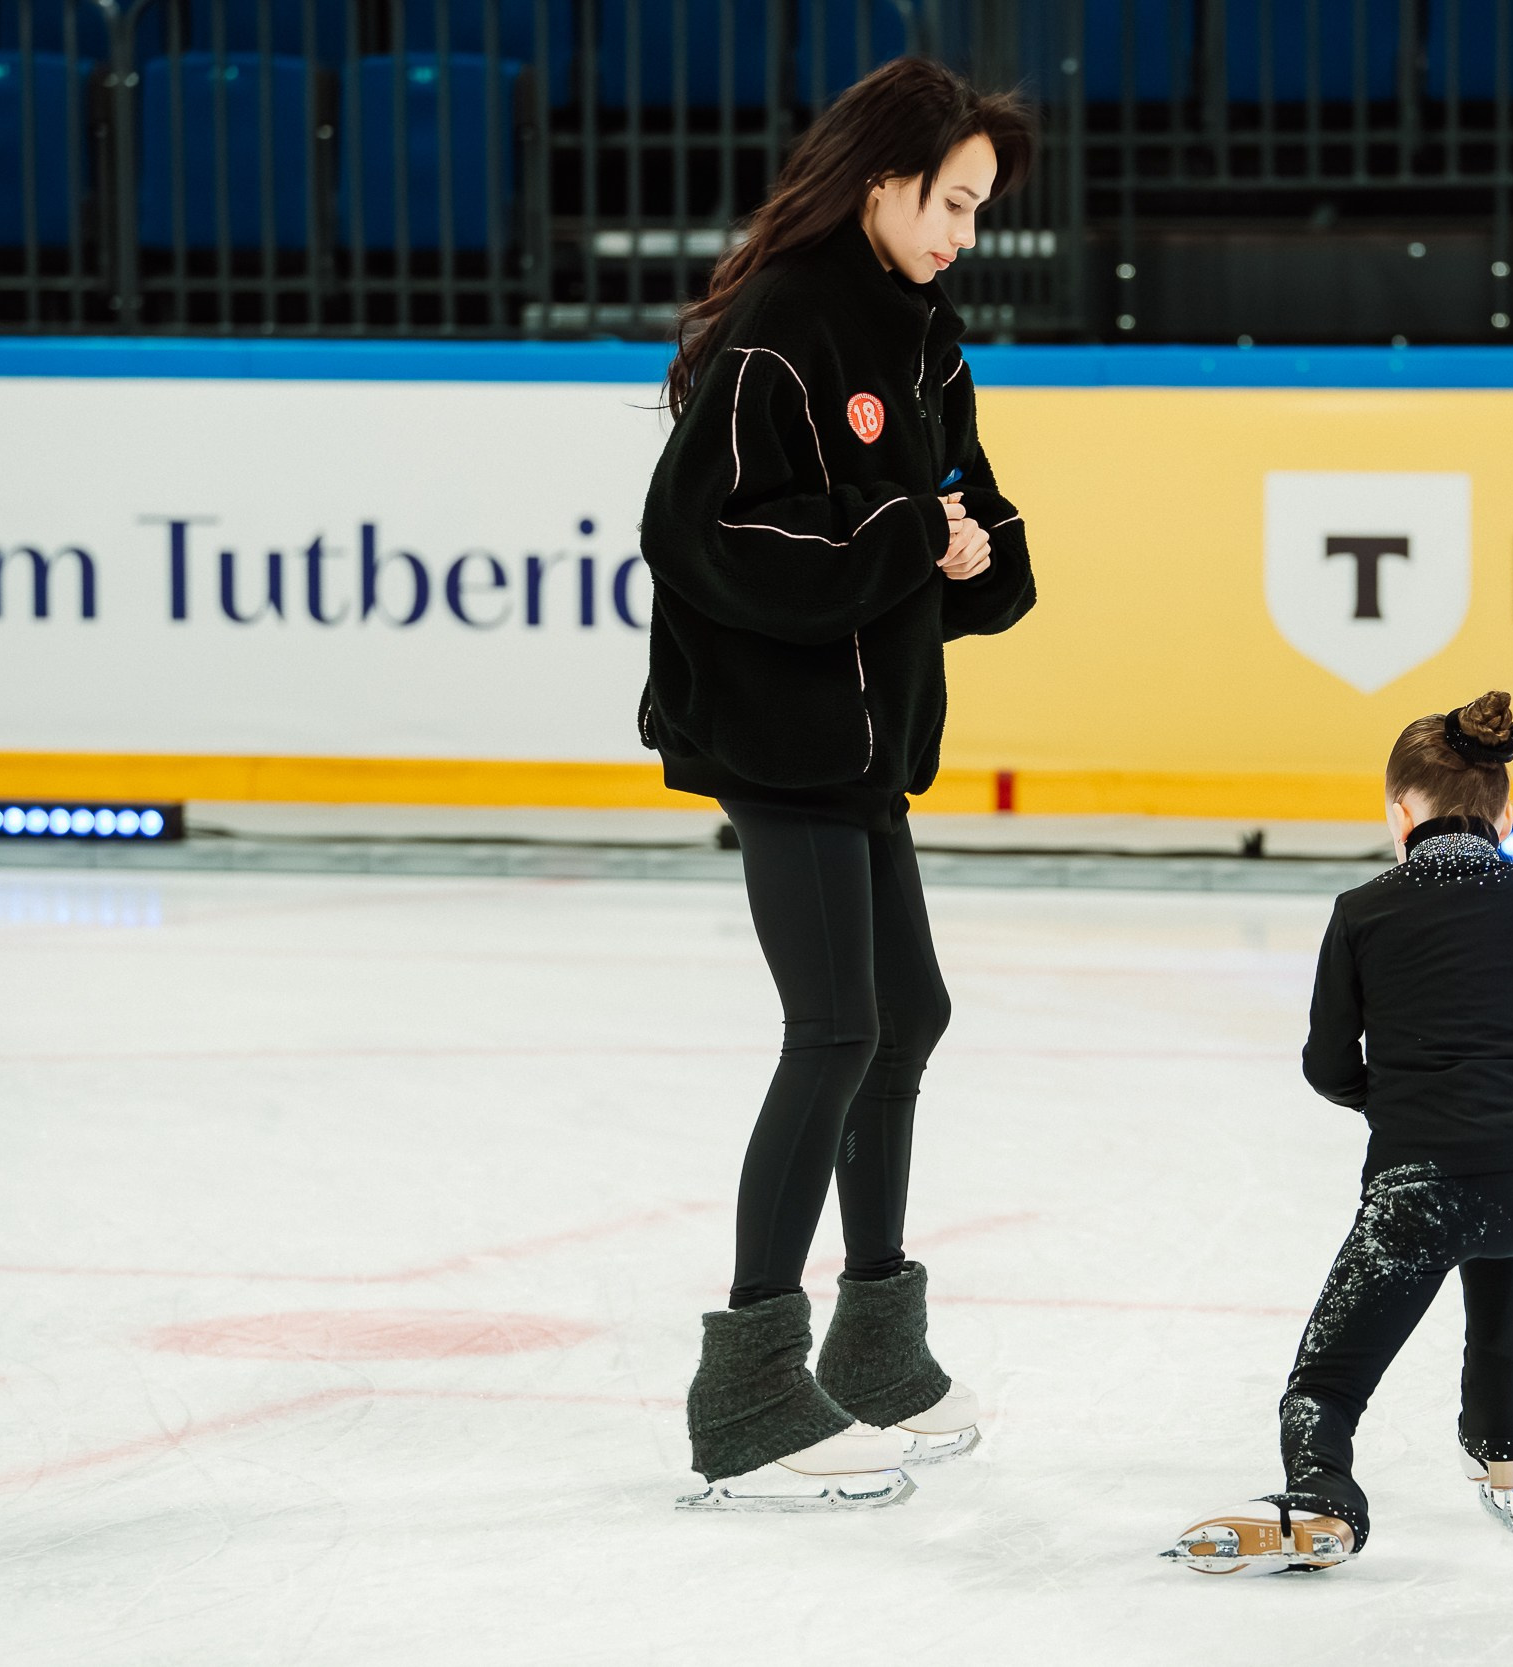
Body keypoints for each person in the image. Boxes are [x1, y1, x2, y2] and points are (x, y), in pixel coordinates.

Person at [638, 58, 1038, 1512]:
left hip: (868, 743)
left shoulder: (925, 339)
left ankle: (876, 1347)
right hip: (779, 734)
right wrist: (904, 542)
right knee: (836, 1027)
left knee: (906, 1014)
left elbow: (969, 519)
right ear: (881, 183)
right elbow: (708, 537)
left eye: (981, 210)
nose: (965, 235)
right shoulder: (779, 329)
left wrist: (977, 557)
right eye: (951, 203)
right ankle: (749, 1389)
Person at [1164, 691, 1513, 1571]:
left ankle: (1323, 1495)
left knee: (1324, 1385)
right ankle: (1505, 1447)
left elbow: (1327, 1066)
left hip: (1417, 1187)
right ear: (1505, 812)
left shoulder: (1364, 909)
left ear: (1399, 812)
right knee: (1492, 1254)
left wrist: (1409, 1110)